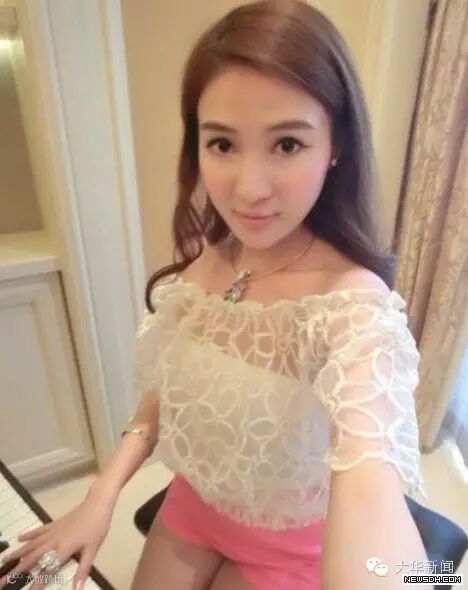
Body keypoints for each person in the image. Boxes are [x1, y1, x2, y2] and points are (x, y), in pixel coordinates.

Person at [0, 1, 431, 589]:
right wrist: (100, 496)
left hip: (296, 545)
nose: (249, 191)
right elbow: (168, 394)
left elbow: (370, 487)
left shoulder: (352, 308)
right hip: (195, 506)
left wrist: (424, 580)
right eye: (223, 144)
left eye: (287, 144)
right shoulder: (215, 257)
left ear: (337, 145)